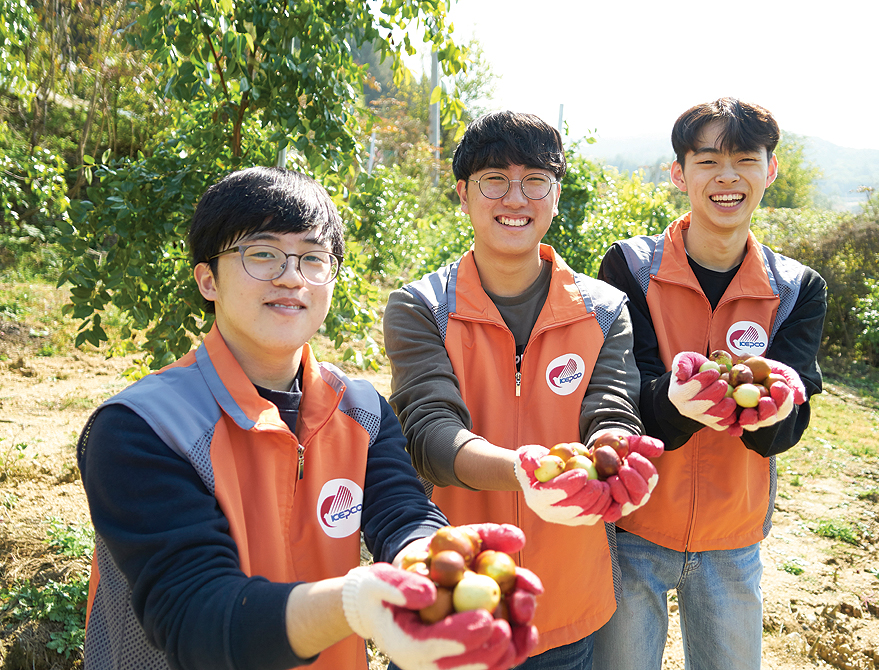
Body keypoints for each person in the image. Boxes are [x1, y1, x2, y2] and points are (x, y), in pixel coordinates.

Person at [78, 166, 540, 670]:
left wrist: (430, 561)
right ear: (208, 278)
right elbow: (196, 618)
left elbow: (402, 514)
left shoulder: (360, 411)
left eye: (313, 258)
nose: (292, 276)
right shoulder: (143, 428)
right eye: (262, 254)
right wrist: (356, 602)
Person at [383, 111, 663, 670]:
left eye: (535, 181)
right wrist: (527, 470)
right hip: (455, 586)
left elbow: (610, 408)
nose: (516, 198)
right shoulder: (422, 307)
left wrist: (615, 451)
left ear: (556, 196)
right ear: (463, 194)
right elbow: (429, 432)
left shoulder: (604, 309)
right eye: (495, 181)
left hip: (563, 595)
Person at [592, 98, 828, 670]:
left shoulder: (797, 288)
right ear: (679, 174)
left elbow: (788, 420)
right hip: (635, 526)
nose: (728, 177)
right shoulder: (630, 269)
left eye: (746, 159)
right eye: (707, 161)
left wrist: (774, 414)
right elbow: (620, 396)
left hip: (733, 534)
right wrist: (675, 405)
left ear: (770, 171)